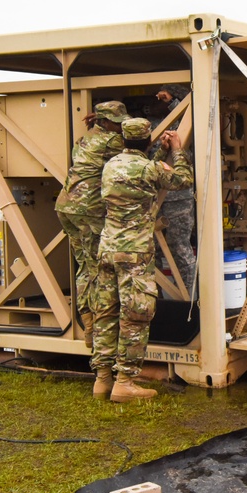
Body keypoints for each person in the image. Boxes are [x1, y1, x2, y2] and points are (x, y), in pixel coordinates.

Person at [91, 119, 193, 402]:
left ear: (124, 139)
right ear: (147, 139)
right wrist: (177, 151)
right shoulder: (151, 169)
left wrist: (157, 154)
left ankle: (102, 380)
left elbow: (138, 171)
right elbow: (183, 179)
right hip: (134, 253)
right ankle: (125, 381)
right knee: (135, 316)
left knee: (106, 313)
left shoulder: (111, 165)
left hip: (108, 249)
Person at [54, 101, 129, 357]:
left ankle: (87, 325)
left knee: (84, 266)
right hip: (88, 210)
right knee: (99, 269)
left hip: (66, 207)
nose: (120, 127)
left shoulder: (85, 139)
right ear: (106, 122)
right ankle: (100, 331)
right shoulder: (112, 142)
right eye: (116, 122)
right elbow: (139, 144)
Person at [149, 84, 197, 297]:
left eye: (166, 97)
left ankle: (192, 299)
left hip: (178, 197)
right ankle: (156, 297)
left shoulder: (185, 123)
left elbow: (191, 118)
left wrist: (173, 103)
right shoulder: (150, 125)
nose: (160, 100)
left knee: (180, 248)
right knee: (153, 251)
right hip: (154, 197)